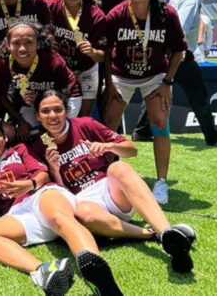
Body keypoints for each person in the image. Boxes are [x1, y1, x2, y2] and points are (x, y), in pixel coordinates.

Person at [29, 90, 196, 275]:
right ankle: (154, 234)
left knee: (118, 168)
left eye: (58, 109)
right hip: (83, 202)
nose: (52, 116)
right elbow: (57, 196)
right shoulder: (38, 147)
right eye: (45, 111)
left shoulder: (85, 124)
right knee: (83, 213)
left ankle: (165, 231)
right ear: (38, 116)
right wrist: (54, 170)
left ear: (66, 111)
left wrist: (108, 146)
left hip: (111, 191)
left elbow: (131, 150)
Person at [0, 119, 121, 296]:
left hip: (42, 194)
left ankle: (99, 278)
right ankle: (44, 270)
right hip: (19, 212)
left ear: (5, 137)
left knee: (59, 218)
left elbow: (42, 174)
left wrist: (29, 184)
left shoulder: (19, 150)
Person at [100, 0, 186, 205]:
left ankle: (161, 181)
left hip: (155, 76)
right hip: (121, 75)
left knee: (160, 123)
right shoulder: (116, 14)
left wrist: (167, 82)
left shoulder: (167, 14)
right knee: (109, 124)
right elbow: (106, 51)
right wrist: (109, 83)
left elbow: (179, 51)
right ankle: (104, 176)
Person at [132, 0, 217, 147]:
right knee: (198, 94)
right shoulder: (192, 1)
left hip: (169, 53)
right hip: (180, 54)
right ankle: (211, 134)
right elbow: (180, 26)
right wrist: (177, 50)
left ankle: (141, 131)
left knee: (157, 90)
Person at [0, 22, 83, 143]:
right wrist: (20, 121)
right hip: (32, 103)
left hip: (66, 97)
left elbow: (64, 94)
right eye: (16, 43)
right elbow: (1, 95)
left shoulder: (52, 61)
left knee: (58, 130)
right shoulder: (4, 62)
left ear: (38, 44)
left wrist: (40, 101)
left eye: (29, 42)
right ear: (8, 45)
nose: (22, 49)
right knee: (30, 134)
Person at [47, 0, 107, 117]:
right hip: (59, 70)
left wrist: (92, 52)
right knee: (60, 114)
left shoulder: (96, 16)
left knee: (83, 117)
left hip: (86, 70)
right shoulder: (50, 8)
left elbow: (103, 56)